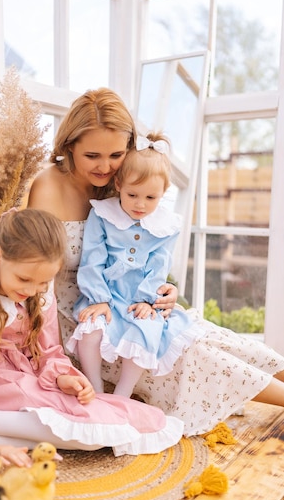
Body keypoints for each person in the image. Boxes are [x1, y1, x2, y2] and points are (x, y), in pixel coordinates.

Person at [28, 87, 284, 436]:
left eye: (116, 154)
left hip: (134, 303)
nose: (105, 167)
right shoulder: (47, 186)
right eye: (92, 155)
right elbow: (32, 274)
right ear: (69, 146)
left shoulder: (123, 186)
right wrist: (46, 352)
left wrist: (165, 290)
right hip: (83, 316)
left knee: (212, 337)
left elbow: (148, 249)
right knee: (198, 356)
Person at [0, 208, 184, 464]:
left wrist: (63, 378)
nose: (32, 291)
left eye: (43, 282)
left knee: (120, 420)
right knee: (91, 432)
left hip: (30, 385)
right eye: (23, 279)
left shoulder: (39, 298)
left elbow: (49, 352)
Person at [66, 133, 204, 398]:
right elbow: (92, 258)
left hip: (138, 298)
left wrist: (147, 300)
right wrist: (99, 298)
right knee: (91, 331)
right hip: (105, 294)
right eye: (133, 194)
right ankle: (93, 387)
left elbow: (159, 265)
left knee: (146, 330)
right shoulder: (102, 214)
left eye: (151, 198)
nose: (140, 204)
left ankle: (122, 395)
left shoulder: (166, 226)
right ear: (118, 184)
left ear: (163, 193)